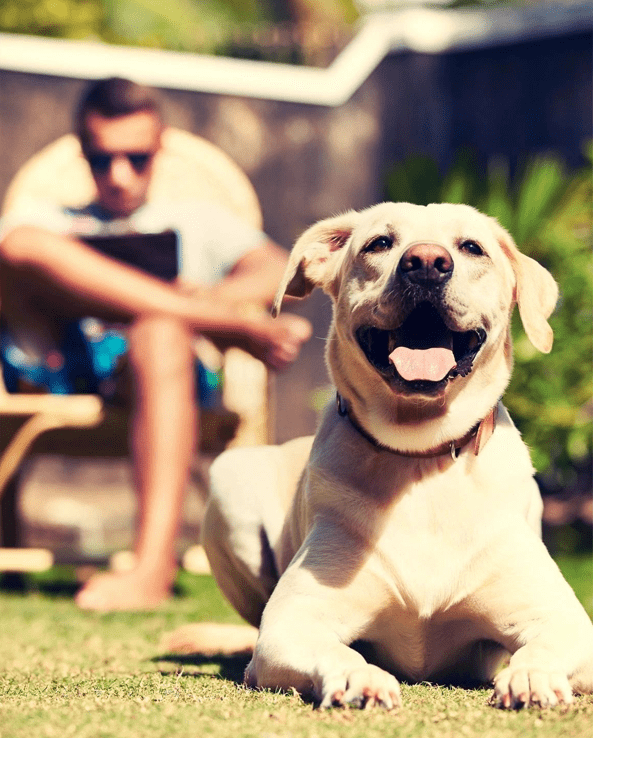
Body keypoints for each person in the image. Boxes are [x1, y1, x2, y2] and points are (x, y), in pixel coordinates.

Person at [0, 77, 311, 612]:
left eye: (136, 159)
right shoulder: (53, 221)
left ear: (159, 147)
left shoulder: (198, 221)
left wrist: (209, 297)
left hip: (169, 376)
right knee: (25, 246)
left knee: (161, 331)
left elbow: (281, 268)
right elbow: (17, 251)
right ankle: (205, 323)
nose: (119, 176)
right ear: (83, 153)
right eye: (102, 160)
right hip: (64, 371)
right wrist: (225, 322)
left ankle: (150, 570)